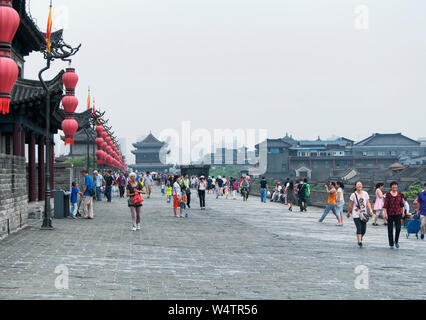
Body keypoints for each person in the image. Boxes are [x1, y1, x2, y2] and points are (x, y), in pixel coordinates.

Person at [347, 181, 373, 248]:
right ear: (355, 186)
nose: (359, 186)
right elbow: (350, 205)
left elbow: (368, 203)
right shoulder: (353, 195)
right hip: (356, 214)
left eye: (360, 184)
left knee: (363, 229)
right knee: (359, 228)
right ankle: (359, 242)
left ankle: (360, 237)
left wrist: (370, 210)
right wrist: (348, 212)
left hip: (364, 214)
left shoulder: (365, 193)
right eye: (358, 185)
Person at [383, 182, 405, 249]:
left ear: (397, 186)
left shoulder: (399, 194)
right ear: (391, 186)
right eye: (393, 185)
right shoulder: (388, 194)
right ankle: (391, 243)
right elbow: (385, 206)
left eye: (395, 185)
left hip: (398, 213)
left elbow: (402, 205)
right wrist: (385, 214)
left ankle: (396, 241)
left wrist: (403, 212)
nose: (394, 186)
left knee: (398, 228)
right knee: (390, 229)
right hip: (390, 214)